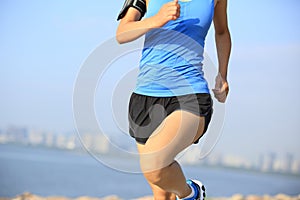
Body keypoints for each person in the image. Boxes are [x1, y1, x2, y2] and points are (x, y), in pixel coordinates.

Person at [116, 0, 231, 199]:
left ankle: (192, 193)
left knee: (154, 166)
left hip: (190, 95)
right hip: (145, 97)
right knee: (161, 191)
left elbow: (221, 32)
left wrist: (223, 74)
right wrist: (156, 20)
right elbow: (122, 33)